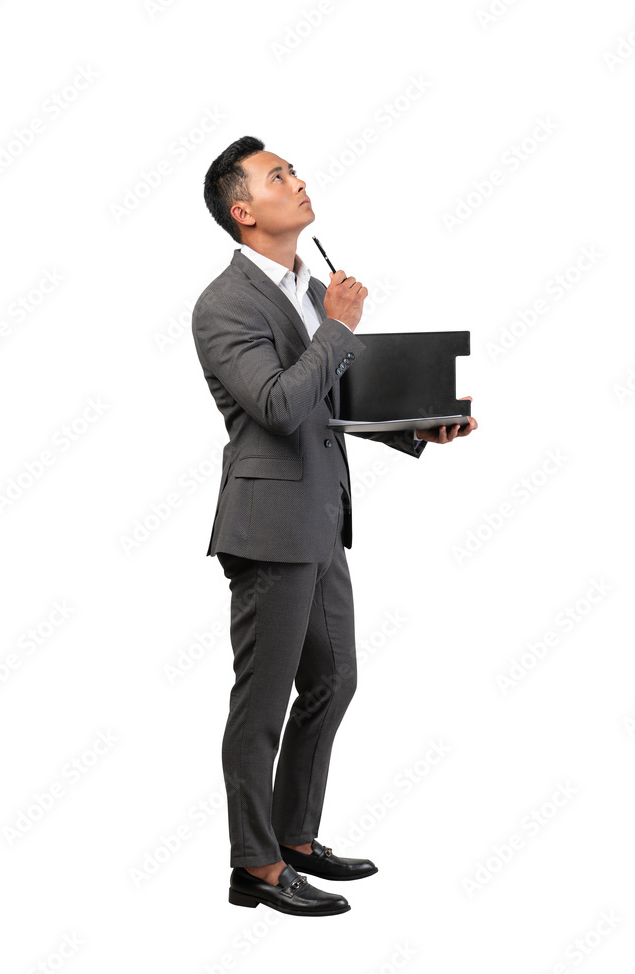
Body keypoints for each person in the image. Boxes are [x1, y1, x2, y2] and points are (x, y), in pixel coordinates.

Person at [191, 136, 478, 916]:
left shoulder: (313, 290)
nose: (297, 179)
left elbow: (334, 404)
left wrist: (419, 429)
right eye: (277, 175)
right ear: (244, 211)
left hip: (321, 517)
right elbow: (279, 406)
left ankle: (293, 838)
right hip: (266, 526)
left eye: (293, 169)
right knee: (262, 705)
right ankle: (254, 867)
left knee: (332, 679)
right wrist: (340, 328)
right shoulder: (224, 305)